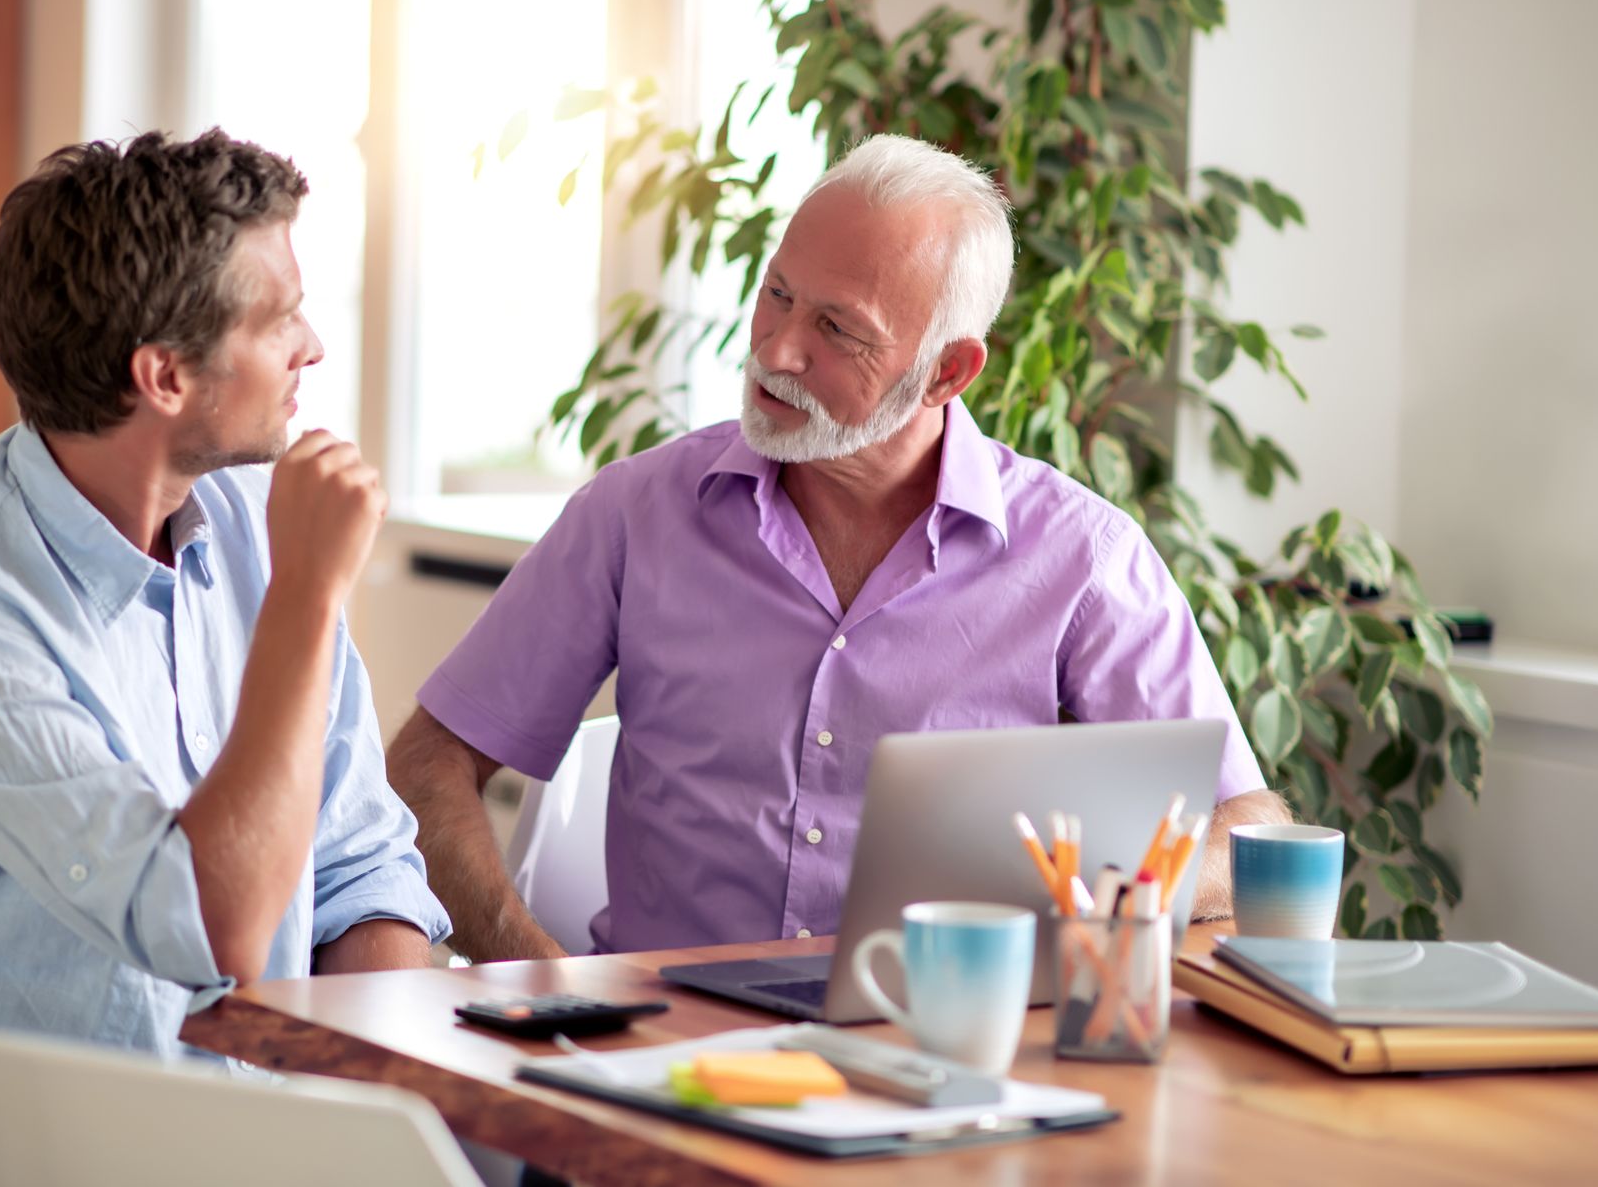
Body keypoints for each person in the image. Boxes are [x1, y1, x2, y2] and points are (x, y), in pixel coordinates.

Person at [389, 134, 1289, 962]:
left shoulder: (1083, 559)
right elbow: (429, 762)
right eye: (776, 294)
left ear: (947, 371)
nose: (776, 350)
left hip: (950, 1073)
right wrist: (538, 979)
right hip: (661, 1067)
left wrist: (1086, 908)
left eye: (836, 329)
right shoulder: (634, 513)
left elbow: (1245, 825)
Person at [0, 130, 449, 1119]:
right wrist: (308, 601)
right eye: (281, 318)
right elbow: (205, 923)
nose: (311, 345)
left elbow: (357, 865)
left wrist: (388, 1096)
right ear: (166, 379)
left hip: (221, 1121)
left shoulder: (250, 531)